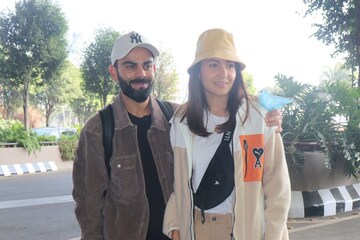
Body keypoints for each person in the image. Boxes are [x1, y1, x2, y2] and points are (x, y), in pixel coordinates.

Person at [72, 31, 284, 240]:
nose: (141, 73)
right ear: (114, 71)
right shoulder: (98, 129)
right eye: (130, 66)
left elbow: (275, 189)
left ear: (155, 68)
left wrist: (267, 114)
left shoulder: (175, 117)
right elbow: (88, 204)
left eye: (147, 65)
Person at [162, 28, 291, 240]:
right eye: (213, 64)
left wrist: (274, 236)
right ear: (198, 72)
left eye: (230, 65)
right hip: (197, 227)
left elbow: (278, 189)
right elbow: (181, 186)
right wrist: (175, 227)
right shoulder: (181, 121)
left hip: (243, 229)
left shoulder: (259, 117)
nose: (224, 73)